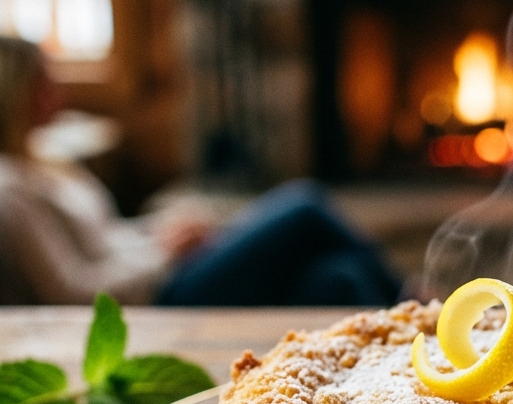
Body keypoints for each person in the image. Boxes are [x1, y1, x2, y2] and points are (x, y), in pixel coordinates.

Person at [0, 37, 401, 306]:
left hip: (163, 267)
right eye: (45, 82)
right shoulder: (11, 190)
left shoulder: (46, 160)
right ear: (14, 93)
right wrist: (163, 254)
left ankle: (400, 355)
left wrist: (160, 229)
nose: (60, 91)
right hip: (156, 297)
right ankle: (411, 298)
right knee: (303, 206)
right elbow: (71, 293)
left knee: (340, 277)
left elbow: (107, 237)